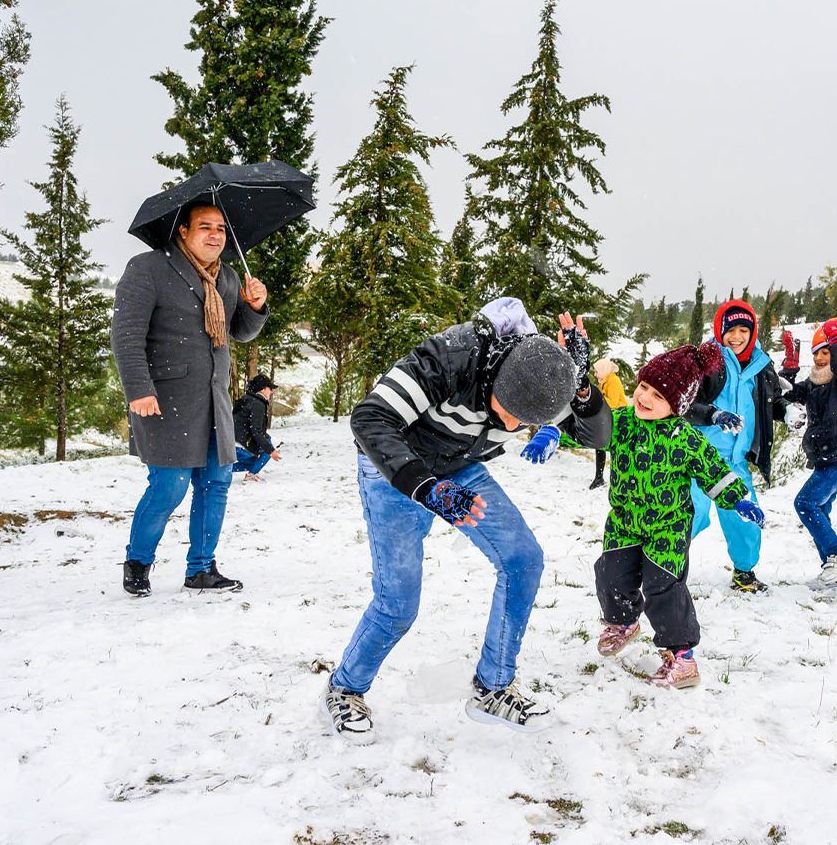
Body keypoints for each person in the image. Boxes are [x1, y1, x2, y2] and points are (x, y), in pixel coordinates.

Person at [324, 298, 611, 742]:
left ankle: (493, 687)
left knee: (523, 560)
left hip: (459, 463)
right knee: (398, 602)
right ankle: (345, 688)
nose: (514, 424)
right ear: (495, 376)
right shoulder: (449, 357)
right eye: (507, 410)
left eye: (526, 422)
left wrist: (580, 387)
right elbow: (369, 417)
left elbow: (599, 436)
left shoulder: (539, 377)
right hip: (395, 467)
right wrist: (425, 487)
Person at [111, 202, 269, 596]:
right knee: (170, 487)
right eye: (205, 227)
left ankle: (201, 568)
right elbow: (126, 334)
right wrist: (139, 389)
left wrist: (255, 307)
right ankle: (138, 562)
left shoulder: (228, 278)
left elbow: (240, 333)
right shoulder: (148, 269)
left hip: (215, 400)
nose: (215, 235)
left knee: (215, 484)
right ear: (183, 230)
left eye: (220, 228)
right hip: (164, 400)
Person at [594, 342, 763, 689]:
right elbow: (590, 429)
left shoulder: (685, 437)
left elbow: (714, 471)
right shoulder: (623, 422)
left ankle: (682, 657)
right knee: (610, 574)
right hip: (624, 523)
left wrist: (738, 500)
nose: (643, 397)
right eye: (642, 387)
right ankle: (623, 622)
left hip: (667, 529)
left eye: (657, 395)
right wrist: (555, 433)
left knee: (664, 589)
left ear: (677, 405)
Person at [683, 299, 787, 593]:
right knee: (689, 515)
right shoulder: (706, 360)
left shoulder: (761, 366)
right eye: (731, 330)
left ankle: (744, 573)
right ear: (720, 330)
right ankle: (663, 567)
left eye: (744, 329)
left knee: (745, 518)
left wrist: (786, 410)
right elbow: (684, 404)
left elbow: (771, 401)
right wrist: (713, 415)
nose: (737, 336)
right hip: (699, 457)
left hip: (736, 461)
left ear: (752, 332)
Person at [780, 317, 837, 589]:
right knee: (821, 510)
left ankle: (836, 556)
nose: (819, 358)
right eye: (816, 352)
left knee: (805, 503)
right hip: (825, 457)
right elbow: (789, 393)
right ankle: (833, 569)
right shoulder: (815, 382)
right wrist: (790, 366)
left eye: (826, 352)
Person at [233, 372, 282, 482]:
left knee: (256, 459)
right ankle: (250, 473)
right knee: (264, 452)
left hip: (233, 441)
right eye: (270, 388)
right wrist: (271, 450)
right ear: (263, 389)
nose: (271, 391)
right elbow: (256, 430)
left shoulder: (247, 399)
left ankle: (221, 470)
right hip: (240, 444)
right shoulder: (258, 404)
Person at [589, 358, 628, 489]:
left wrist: (597, 397)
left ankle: (620, 479)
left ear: (604, 370)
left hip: (619, 418)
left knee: (614, 449)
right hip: (608, 416)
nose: (595, 374)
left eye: (597, 371)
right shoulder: (604, 381)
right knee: (600, 445)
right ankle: (599, 477)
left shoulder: (614, 382)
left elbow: (612, 403)